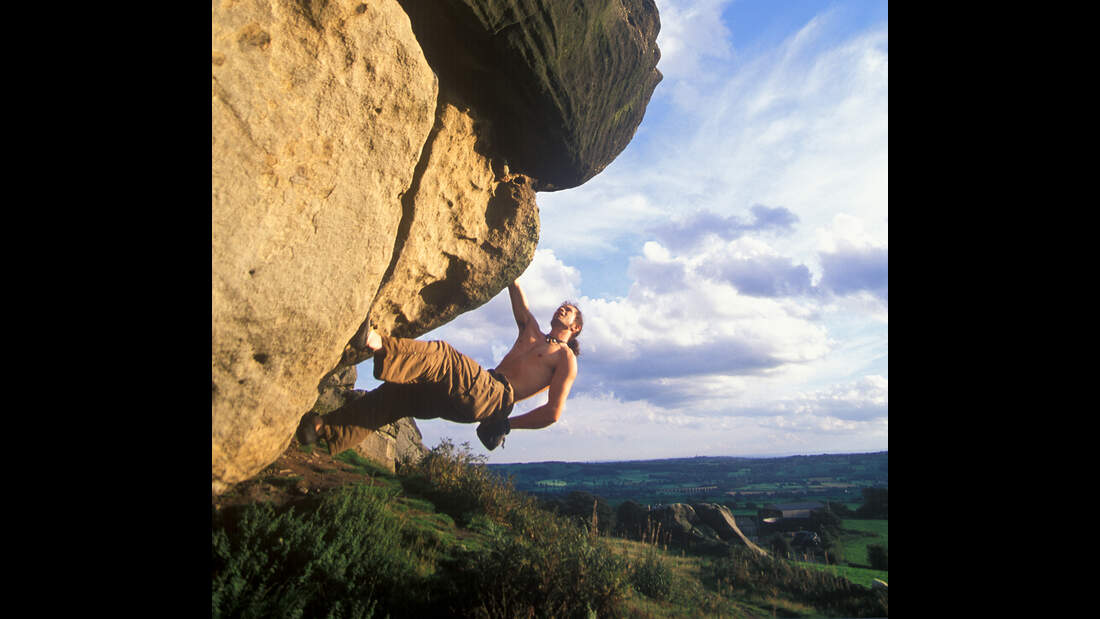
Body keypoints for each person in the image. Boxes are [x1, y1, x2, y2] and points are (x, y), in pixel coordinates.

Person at [296, 281, 582, 453]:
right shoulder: (530, 330)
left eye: (569, 310)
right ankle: (324, 429)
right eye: (562, 306)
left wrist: (507, 425)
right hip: (477, 390)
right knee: (399, 395)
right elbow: (515, 284)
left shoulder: (565, 358)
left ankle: (377, 343)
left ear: (576, 326)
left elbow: (553, 413)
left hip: (495, 397)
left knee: (443, 358)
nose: (562, 308)